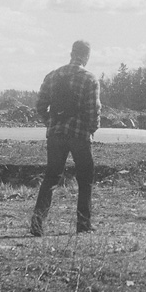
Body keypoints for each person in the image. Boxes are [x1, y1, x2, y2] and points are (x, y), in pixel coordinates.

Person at [31, 40, 100, 235]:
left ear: (71, 53)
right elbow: (93, 110)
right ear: (86, 56)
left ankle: (37, 222)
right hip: (79, 136)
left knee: (51, 177)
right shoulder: (89, 79)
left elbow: (40, 106)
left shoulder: (52, 76)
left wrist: (51, 123)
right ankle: (83, 224)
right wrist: (91, 129)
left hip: (56, 135)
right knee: (85, 179)